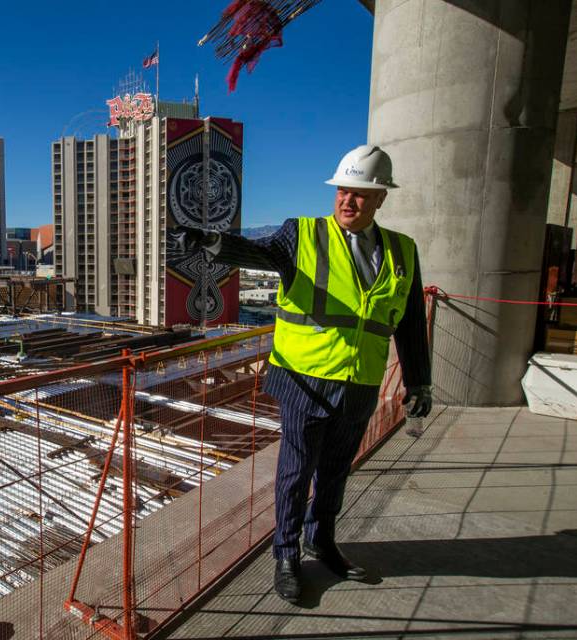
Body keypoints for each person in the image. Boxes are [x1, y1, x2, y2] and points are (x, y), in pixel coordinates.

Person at [172, 145, 432, 603]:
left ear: (380, 199)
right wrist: (210, 242)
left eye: (360, 193)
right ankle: (286, 553)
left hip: (360, 383)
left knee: (335, 472)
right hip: (303, 380)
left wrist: (419, 381)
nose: (348, 201)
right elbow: (257, 252)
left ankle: (322, 540)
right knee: (296, 472)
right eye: (343, 191)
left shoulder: (402, 251)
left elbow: (410, 322)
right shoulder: (303, 235)